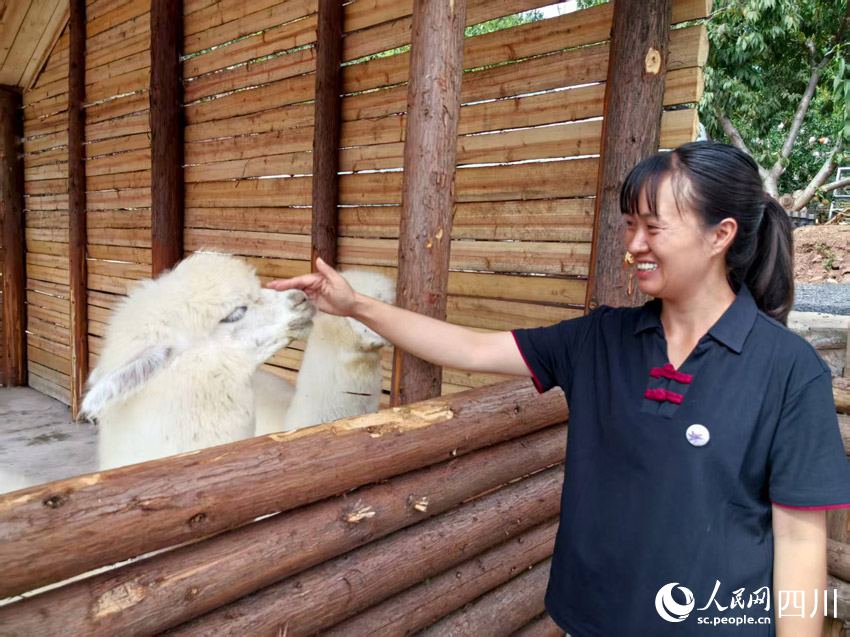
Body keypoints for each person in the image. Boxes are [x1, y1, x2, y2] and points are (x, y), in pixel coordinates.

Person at [267, 141, 850, 636]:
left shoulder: (789, 371)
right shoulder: (601, 339)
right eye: (629, 226)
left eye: (654, 227)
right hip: (590, 620)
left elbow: (800, 544)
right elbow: (470, 348)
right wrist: (354, 306)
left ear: (720, 234)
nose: (634, 245)